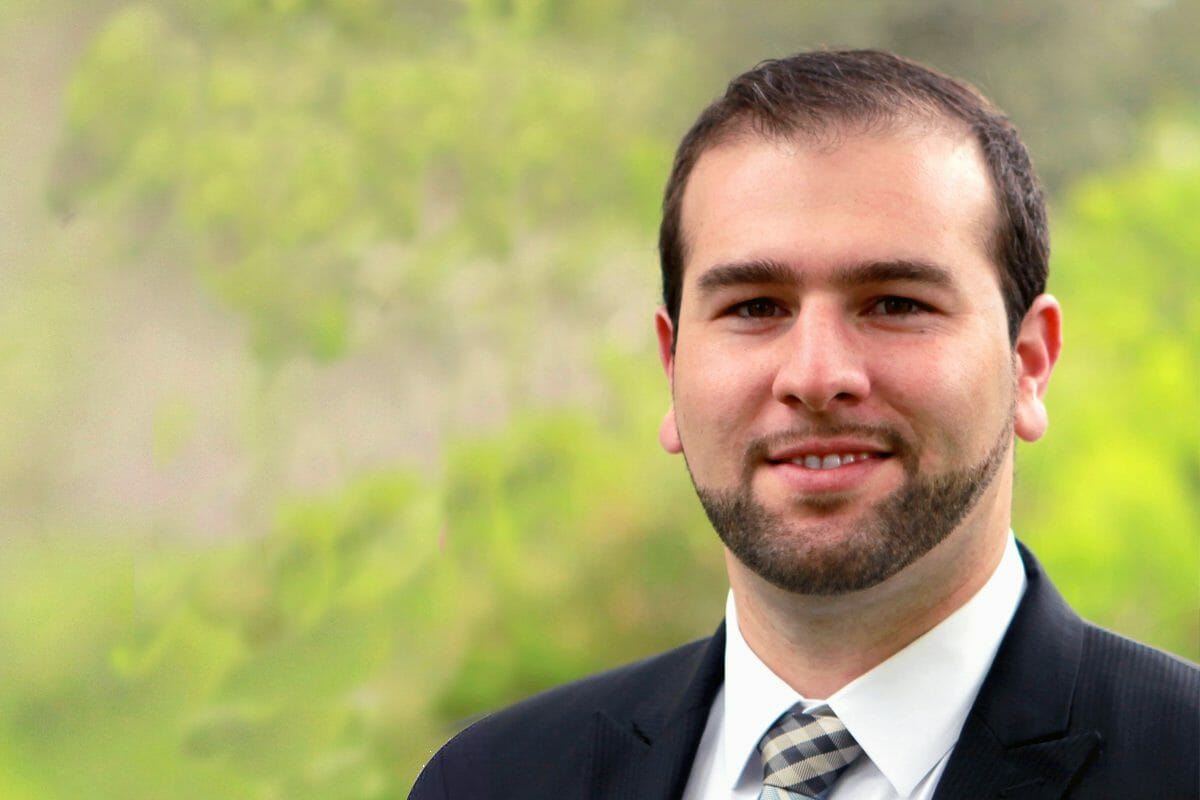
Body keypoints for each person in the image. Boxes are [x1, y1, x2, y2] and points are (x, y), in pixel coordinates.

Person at [409, 49, 1199, 799]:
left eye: (896, 304)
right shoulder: (489, 782)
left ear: (1028, 362)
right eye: (755, 307)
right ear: (672, 366)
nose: (816, 377)